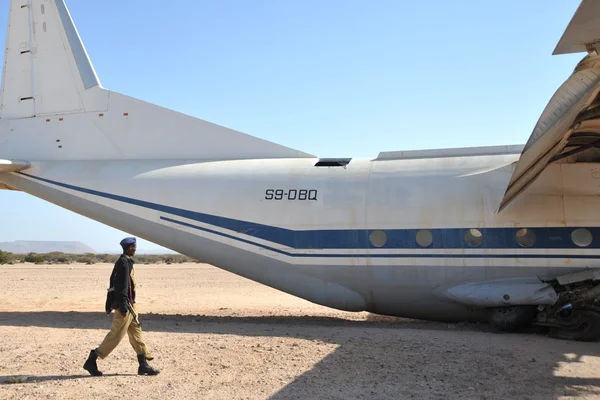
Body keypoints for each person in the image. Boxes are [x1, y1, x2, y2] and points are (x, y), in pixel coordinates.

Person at [83, 237, 160, 376]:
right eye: (134, 247)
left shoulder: (126, 262)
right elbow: (121, 287)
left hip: (131, 305)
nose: (135, 249)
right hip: (125, 306)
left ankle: (143, 364)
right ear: (130, 247)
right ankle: (92, 359)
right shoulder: (123, 263)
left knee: (136, 333)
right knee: (116, 335)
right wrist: (124, 306)